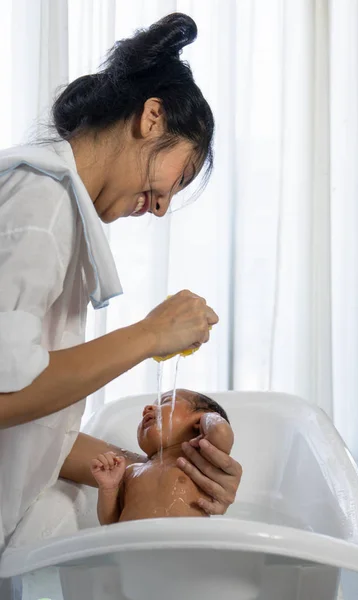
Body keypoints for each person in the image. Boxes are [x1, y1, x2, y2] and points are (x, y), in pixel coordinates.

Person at [0, 13, 242, 552]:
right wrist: (151, 335)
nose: (160, 209)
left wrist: (160, 477)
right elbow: (4, 396)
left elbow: (29, 427)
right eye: (175, 180)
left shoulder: (56, 206)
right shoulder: (40, 204)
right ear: (152, 118)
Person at [91, 390, 234, 523]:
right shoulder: (130, 472)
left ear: (198, 422)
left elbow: (220, 431)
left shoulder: (200, 461)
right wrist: (108, 489)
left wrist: (209, 418)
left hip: (185, 546)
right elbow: (111, 524)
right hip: (134, 547)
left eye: (166, 401)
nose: (147, 408)